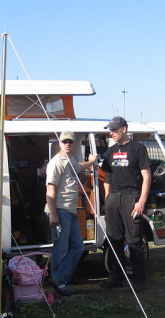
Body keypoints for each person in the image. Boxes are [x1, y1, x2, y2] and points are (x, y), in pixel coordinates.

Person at [99, 116, 151, 291]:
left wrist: (141, 201)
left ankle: (138, 280)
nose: (111, 133)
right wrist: (108, 196)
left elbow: (146, 176)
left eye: (114, 130)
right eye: (110, 130)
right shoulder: (111, 151)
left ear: (124, 129)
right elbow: (107, 175)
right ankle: (116, 277)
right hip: (114, 197)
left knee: (134, 239)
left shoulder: (138, 149)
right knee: (114, 238)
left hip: (131, 196)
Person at [45, 130, 98, 296]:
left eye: (70, 141)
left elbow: (79, 166)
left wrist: (91, 162)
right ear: (59, 143)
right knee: (61, 249)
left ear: (74, 144)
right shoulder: (56, 163)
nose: (67, 144)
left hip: (70, 210)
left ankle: (59, 279)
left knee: (78, 246)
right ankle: (59, 283)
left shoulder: (71, 159)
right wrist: (53, 213)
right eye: (64, 141)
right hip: (61, 210)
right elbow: (50, 189)